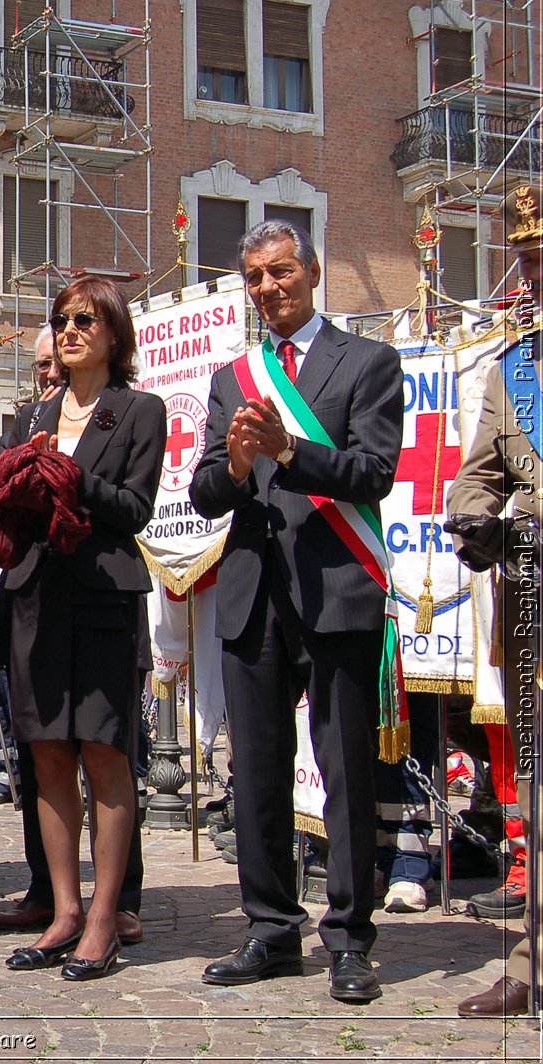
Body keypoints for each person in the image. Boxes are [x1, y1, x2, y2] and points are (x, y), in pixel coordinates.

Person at [189, 220, 402, 1004]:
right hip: (254, 593)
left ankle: (349, 938)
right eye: (254, 277)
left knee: (345, 772)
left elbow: (372, 472)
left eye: (281, 272)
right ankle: (271, 929)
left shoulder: (367, 363)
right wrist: (240, 463)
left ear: (311, 273)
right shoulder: (232, 376)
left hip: (338, 589)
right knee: (257, 774)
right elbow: (206, 491)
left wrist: (287, 450)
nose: (268, 288)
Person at [0, 277, 165, 980]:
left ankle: (103, 916)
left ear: (113, 334)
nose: (69, 330)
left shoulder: (139, 411)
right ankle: (62, 909)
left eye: (84, 319)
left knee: (105, 757)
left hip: (101, 597)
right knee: (46, 756)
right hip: (34, 596)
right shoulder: (32, 413)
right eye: (61, 319)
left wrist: (66, 477)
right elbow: (4, 500)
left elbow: (134, 507)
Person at [444, 180, 543, 1019]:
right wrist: (472, 517)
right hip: (534, 592)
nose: (535, 281)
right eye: (528, 266)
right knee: (539, 778)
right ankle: (532, 959)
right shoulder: (513, 370)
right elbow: (481, 471)